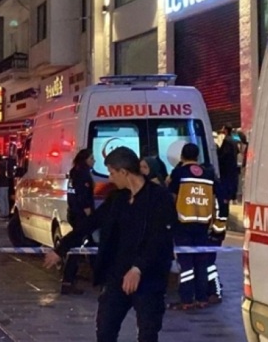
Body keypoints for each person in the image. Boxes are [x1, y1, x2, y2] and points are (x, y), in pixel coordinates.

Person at [43, 147, 176, 342]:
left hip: (148, 277)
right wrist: (61, 249)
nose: (110, 179)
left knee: (148, 332)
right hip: (117, 274)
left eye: (112, 173)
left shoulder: (158, 198)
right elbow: (90, 224)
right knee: (105, 330)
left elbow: (160, 239)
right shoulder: (117, 198)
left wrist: (138, 268)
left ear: (125, 172)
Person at [167, 143, 226, 310]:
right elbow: (218, 199)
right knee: (201, 263)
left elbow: (171, 196)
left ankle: (186, 299)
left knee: (186, 265)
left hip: (182, 224)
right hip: (203, 224)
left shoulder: (178, 173)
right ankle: (202, 298)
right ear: (197, 156)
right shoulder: (208, 174)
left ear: (182, 157)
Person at [61, 149, 96, 295]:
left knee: (88, 245)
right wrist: (89, 214)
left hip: (74, 213)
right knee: (86, 246)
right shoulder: (83, 174)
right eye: (92, 158)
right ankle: (68, 281)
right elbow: (83, 196)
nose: (94, 161)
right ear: (85, 159)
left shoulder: (74, 172)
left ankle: (70, 280)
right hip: (81, 215)